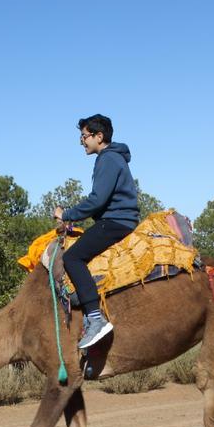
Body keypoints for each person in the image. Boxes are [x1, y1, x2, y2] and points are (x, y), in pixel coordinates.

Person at [53, 114, 139, 349]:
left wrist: (66, 214)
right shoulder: (113, 158)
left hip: (116, 222)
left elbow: (97, 200)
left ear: (99, 137)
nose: (82, 141)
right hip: (118, 219)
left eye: (84, 136)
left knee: (72, 257)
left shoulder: (107, 159)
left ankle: (94, 317)